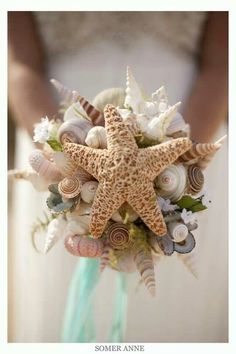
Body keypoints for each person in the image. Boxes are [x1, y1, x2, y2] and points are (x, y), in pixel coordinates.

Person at [8, 11, 228, 342]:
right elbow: (18, 63)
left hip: (191, 122)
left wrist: (182, 162)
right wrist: (65, 168)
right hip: (54, 127)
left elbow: (222, 62)